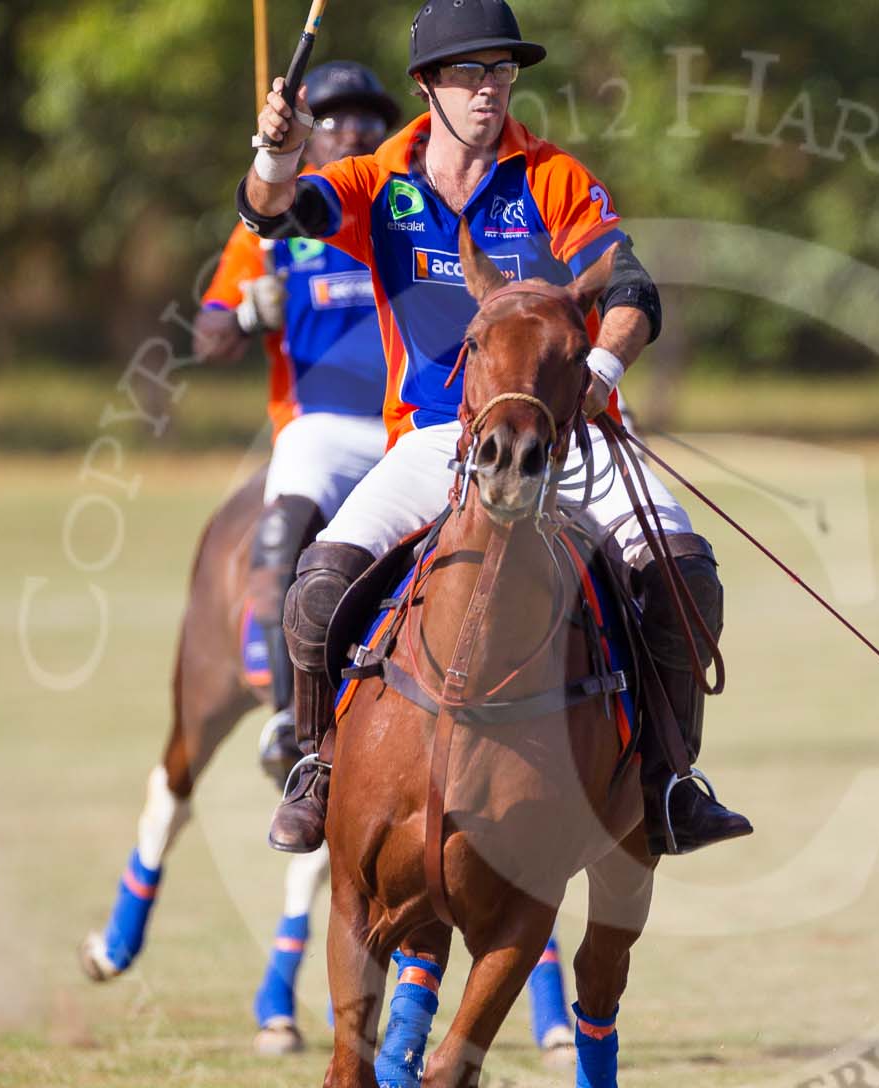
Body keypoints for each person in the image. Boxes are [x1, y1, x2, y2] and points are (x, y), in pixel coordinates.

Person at [236, 0, 753, 857]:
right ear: (427, 85)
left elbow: (630, 290)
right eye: (471, 73)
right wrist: (277, 150)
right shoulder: (377, 180)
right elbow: (274, 211)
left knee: (685, 574)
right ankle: (319, 765)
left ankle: (669, 778)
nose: (490, 90)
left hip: (567, 436)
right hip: (437, 436)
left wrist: (600, 373)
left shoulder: (550, 178)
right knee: (319, 583)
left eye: (502, 72)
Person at [196, 61, 399, 781]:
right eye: (337, 118)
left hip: (409, 425)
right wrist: (250, 311)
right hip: (319, 426)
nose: (354, 131)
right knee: (282, 530)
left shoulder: (400, 204)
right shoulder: (276, 225)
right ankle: (289, 716)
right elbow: (206, 335)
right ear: (310, 137)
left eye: (370, 121)